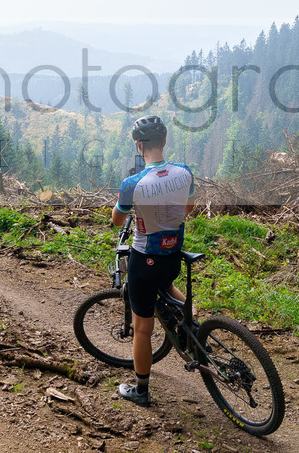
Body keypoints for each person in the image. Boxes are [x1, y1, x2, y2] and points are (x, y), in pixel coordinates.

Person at [112, 115, 195, 406]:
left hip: (144, 261)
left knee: (142, 328)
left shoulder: (132, 183)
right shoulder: (184, 172)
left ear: (138, 145)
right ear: (164, 142)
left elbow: (116, 219)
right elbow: (189, 207)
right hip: (173, 255)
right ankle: (193, 327)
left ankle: (141, 391)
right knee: (167, 282)